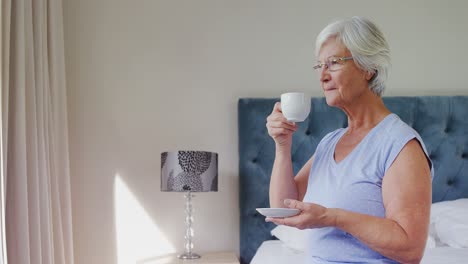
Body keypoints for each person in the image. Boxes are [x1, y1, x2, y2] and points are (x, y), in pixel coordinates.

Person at [265, 16, 433, 264]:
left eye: (333, 63)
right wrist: (282, 146)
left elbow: (409, 248)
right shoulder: (329, 143)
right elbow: (284, 209)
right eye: (319, 66)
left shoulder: (400, 145)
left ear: (368, 68)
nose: (322, 76)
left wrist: (330, 217)